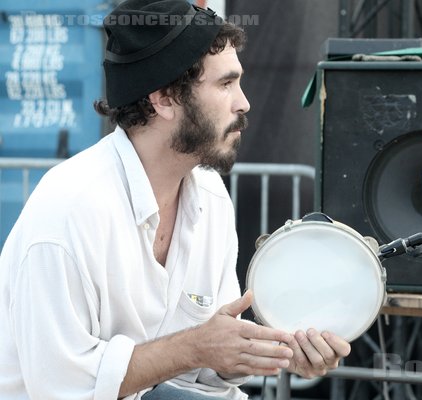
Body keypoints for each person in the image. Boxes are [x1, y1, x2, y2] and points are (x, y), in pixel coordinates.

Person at [0, 1, 351, 399]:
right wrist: (195, 346)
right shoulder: (70, 208)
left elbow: (207, 372)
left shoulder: (210, 196)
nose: (243, 102)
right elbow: (60, 386)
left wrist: (281, 351)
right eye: (225, 84)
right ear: (164, 98)